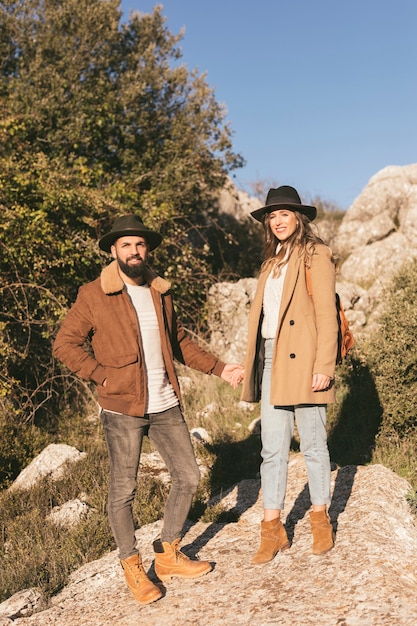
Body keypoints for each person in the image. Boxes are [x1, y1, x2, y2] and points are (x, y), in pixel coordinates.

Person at [53, 213, 243, 605]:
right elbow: (65, 344)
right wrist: (100, 375)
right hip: (122, 407)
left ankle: (168, 553)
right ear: (113, 250)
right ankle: (132, 566)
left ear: (147, 249)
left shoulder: (160, 290)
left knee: (188, 476)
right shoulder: (93, 294)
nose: (134, 251)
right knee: (124, 490)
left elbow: (180, 342)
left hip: (165, 401)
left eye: (139, 244)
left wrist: (222, 369)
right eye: (126, 245)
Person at [240, 185, 338, 563]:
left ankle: (319, 519)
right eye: (272, 216)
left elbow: (327, 315)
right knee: (272, 449)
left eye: (285, 214)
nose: (278, 221)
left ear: (298, 217)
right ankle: (273, 528)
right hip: (271, 360)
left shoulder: (317, 254)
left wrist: (324, 367)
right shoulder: (270, 261)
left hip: (306, 360)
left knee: (313, 445)